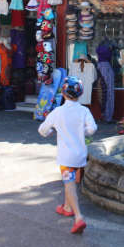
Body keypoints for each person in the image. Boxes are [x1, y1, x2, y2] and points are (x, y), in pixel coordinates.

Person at [38, 77, 97, 234]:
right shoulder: (84, 111)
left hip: (66, 157)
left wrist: (52, 131)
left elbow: (43, 130)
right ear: (80, 93)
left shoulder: (58, 112)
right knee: (71, 181)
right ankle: (66, 207)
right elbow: (92, 129)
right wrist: (80, 132)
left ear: (63, 93)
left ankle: (78, 217)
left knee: (69, 184)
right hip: (80, 155)